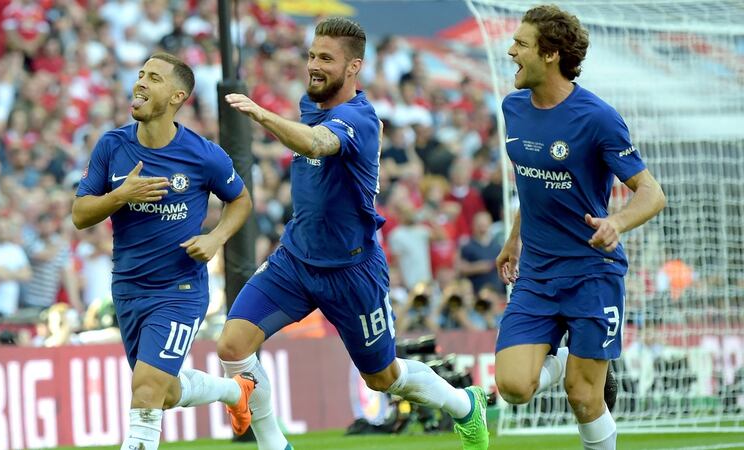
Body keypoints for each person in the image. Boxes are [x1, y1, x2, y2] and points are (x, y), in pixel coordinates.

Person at [220, 17, 488, 450]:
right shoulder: (315, 106)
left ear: (354, 68)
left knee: (383, 377)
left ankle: (463, 405)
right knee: (232, 345)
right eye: (311, 55)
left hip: (352, 271)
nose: (313, 65)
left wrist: (261, 113)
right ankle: (275, 445)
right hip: (296, 260)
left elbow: (315, 145)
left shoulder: (358, 120)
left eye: (326, 58)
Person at [494, 5, 666, 450]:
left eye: (521, 44)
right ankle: (576, 356)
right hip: (537, 274)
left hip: (592, 273)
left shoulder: (597, 117)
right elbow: (530, 183)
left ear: (550, 54)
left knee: (584, 396)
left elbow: (651, 192)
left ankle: (584, 369)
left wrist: (617, 222)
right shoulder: (512, 107)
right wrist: (514, 239)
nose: (510, 51)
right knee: (514, 387)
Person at [72, 52, 256, 450]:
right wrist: (121, 195)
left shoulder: (202, 154)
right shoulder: (111, 146)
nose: (139, 82)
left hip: (178, 291)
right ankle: (231, 392)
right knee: (164, 391)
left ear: (176, 97)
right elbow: (80, 214)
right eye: (140, 74)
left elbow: (240, 200)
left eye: (152, 78)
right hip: (127, 289)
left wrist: (216, 238)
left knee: (145, 393)